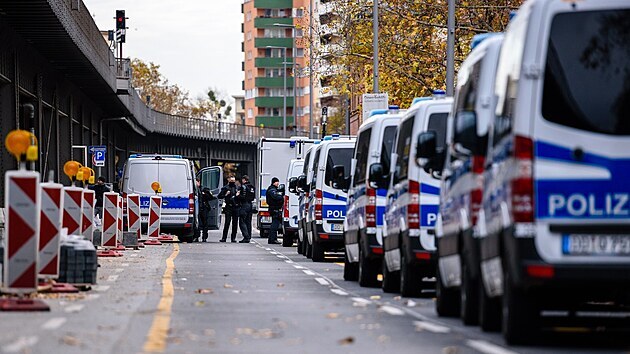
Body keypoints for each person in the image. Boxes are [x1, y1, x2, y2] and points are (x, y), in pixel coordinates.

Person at [218, 175, 241, 242]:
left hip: (236, 207)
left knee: (235, 223)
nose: (232, 182)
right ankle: (224, 238)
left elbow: (241, 197)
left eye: (233, 181)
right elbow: (219, 196)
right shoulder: (225, 188)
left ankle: (233, 238)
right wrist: (225, 194)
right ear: (228, 180)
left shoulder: (237, 188)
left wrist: (238, 195)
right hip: (229, 206)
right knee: (227, 222)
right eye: (231, 181)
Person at [195, 177, 216, 242]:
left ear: (199, 182)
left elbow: (211, 197)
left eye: (196, 182)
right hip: (197, 208)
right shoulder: (193, 189)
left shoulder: (204, 189)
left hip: (204, 208)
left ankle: (204, 237)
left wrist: (205, 194)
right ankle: (196, 236)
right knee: (196, 224)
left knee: (205, 223)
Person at [265, 177, 285, 245]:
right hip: (274, 208)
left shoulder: (273, 189)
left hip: (274, 208)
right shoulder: (272, 190)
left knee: (274, 223)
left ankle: (271, 239)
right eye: (277, 182)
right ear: (274, 182)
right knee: (275, 224)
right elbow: (276, 197)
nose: (278, 183)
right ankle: (273, 239)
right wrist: (282, 197)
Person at [237, 175, 256, 243]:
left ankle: (246, 236)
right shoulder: (252, 187)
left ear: (244, 180)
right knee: (248, 221)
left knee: (242, 221)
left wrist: (238, 196)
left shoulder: (243, 187)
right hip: (250, 205)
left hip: (244, 205)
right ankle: (249, 236)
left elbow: (242, 197)